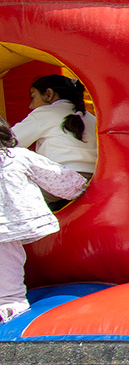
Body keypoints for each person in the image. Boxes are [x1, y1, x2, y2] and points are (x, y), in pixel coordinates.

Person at [0, 117, 89, 322]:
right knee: (7, 263)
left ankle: (10, 303)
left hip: (6, 225)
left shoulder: (17, 157)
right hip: (8, 225)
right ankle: (10, 303)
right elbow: (57, 177)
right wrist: (79, 188)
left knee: (6, 262)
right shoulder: (17, 156)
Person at [14, 74, 97, 204]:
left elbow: (9, 141)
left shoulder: (44, 113)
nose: (31, 106)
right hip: (94, 180)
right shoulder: (91, 118)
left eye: (33, 97)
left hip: (61, 181)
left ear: (49, 94)